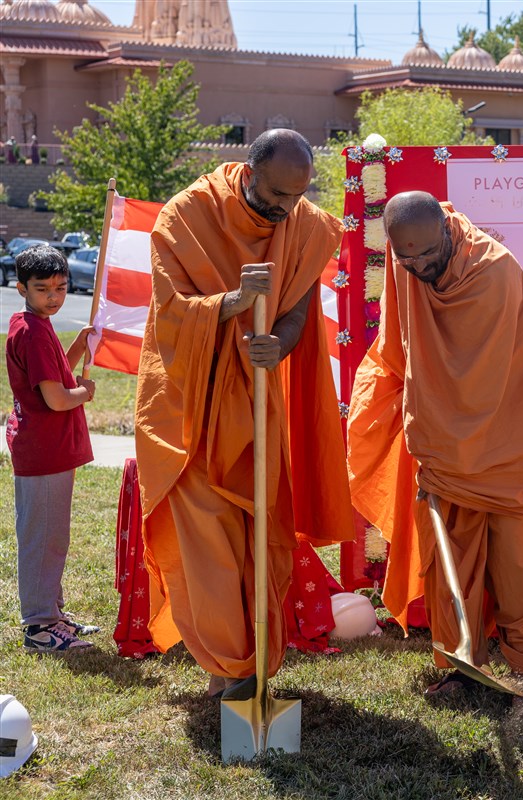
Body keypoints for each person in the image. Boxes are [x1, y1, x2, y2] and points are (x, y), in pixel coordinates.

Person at [134, 129, 354, 699]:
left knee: (257, 533)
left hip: (255, 404)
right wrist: (231, 304)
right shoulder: (185, 216)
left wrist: (276, 344)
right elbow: (171, 318)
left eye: (297, 196)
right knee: (207, 545)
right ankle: (228, 667)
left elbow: (298, 313)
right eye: (277, 195)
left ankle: (252, 660)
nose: (286, 209)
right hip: (186, 411)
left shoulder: (304, 225)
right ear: (250, 173)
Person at [347, 191, 523, 697]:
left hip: (511, 441)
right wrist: (425, 433)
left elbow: (477, 383)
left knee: (520, 568)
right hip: (444, 450)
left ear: (447, 234)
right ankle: (463, 665)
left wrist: (435, 432)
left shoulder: (494, 271)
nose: (418, 267)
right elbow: (403, 347)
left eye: (428, 255)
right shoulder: (404, 260)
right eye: (406, 258)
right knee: (452, 567)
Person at [5, 244, 100, 652]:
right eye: (42, 289)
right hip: (44, 451)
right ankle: (39, 627)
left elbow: (54, 368)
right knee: (43, 537)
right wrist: (85, 391)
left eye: (61, 288)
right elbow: (58, 397)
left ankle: (53, 615)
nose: (54, 297)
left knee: (51, 535)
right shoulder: (32, 329)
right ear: (21, 287)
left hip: (49, 449)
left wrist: (80, 343)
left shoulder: (32, 324)